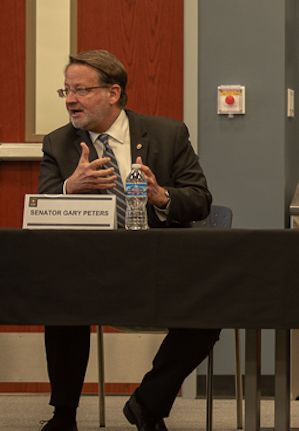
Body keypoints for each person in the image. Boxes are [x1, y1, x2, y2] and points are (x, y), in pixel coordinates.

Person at [37, 50, 221, 431]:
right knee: (59, 300)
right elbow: (42, 211)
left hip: (157, 265)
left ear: (113, 93)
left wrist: (161, 196)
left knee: (211, 311)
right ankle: (63, 415)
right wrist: (70, 188)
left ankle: (148, 403)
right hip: (89, 269)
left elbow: (200, 200)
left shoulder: (168, 134)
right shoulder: (58, 144)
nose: (71, 99)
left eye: (81, 90)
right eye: (66, 91)